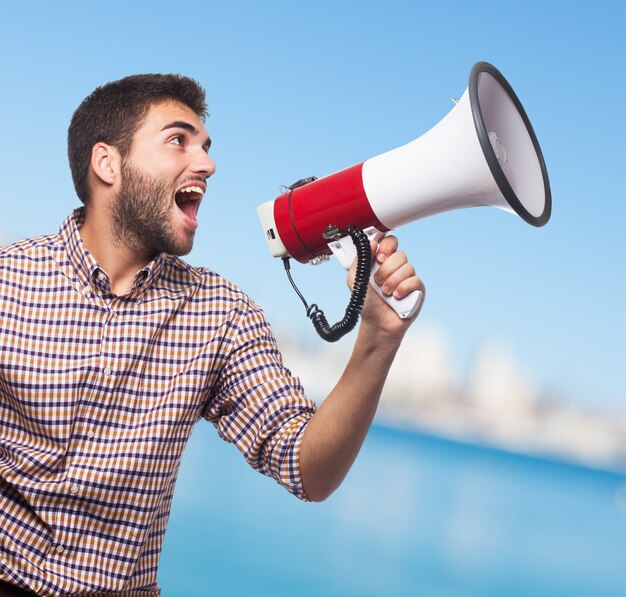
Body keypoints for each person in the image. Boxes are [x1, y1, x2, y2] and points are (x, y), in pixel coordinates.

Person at [0, 74, 425, 597]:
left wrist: (378, 337)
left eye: (206, 146)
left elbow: (309, 470)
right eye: (178, 140)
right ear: (107, 164)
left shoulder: (221, 315)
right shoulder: (8, 280)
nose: (207, 164)